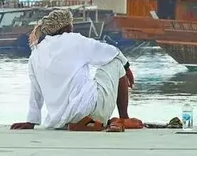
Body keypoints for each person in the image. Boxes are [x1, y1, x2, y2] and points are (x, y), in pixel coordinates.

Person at [10, 8, 143, 132]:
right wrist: (126, 67)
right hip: (89, 108)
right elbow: (112, 52)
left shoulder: (35, 54)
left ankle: (83, 122)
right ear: (68, 27)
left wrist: (31, 121)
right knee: (116, 63)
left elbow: (36, 90)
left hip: (59, 120)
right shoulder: (75, 40)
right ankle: (124, 118)